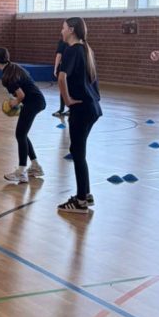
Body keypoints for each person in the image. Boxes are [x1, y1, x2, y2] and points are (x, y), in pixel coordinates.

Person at [57, 17, 102, 213]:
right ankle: (85, 193)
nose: (61, 31)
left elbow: (61, 78)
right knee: (77, 150)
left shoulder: (72, 50)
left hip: (82, 108)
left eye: (63, 28)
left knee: (78, 153)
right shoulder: (86, 49)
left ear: (71, 30)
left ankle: (81, 201)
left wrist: (67, 100)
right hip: (92, 107)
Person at [0, 47, 46, 184]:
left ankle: (21, 172)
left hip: (33, 103)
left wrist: (13, 103)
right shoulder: (13, 68)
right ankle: (35, 166)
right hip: (36, 101)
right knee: (23, 134)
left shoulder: (8, 77)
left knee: (20, 135)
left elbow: (21, 95)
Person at [52, 34, 68, 117]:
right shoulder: (79, 43)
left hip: (64, 69)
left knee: (63, 89)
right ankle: (70, 109)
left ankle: (62, 109)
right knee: (71, 89)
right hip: (74, 69)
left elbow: (59, 55)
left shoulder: (63, 41)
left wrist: (55, 68)